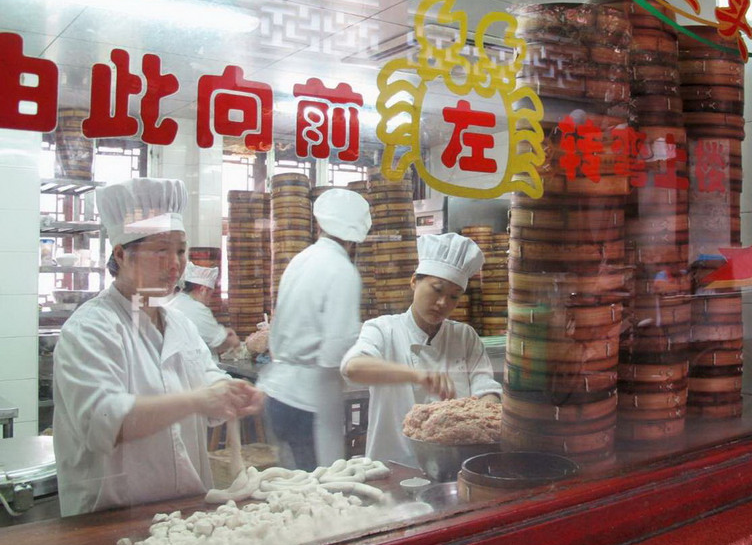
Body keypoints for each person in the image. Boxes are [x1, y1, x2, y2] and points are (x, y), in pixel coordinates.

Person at [53, 178, 264, 517]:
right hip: (111, 518)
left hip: (185, 511)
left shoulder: (179, 324)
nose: (175, 264)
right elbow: (103, 422)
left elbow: (208, 380)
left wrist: (229, 391)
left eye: (180, 250)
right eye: (160, 250)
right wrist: (196, 400)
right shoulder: (90, 329)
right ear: (122, 254)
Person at [341, 232, 502, 467]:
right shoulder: (384, 329)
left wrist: (486, 413)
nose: (442, 303)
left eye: (453, 297)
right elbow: (353, 368)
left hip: (454, 465)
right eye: (437, 289)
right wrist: (418, 375)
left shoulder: (464, 336)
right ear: (414, 281)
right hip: (392, 466)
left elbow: (486, 391)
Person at [257, 188, 371, 471]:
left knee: (291, 486)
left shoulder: (301, 259)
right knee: (317, 488)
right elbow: (336, 351)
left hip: (277, 391)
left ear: (319, 224)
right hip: (309, 401)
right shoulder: (342, 271)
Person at [168, 262, 241, 357]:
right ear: (203, 290)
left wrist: (224, 332)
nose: (209, 301)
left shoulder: (175, 301)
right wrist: (235, 341)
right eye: (210, 295)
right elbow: (221, 342)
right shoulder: (197, 309)